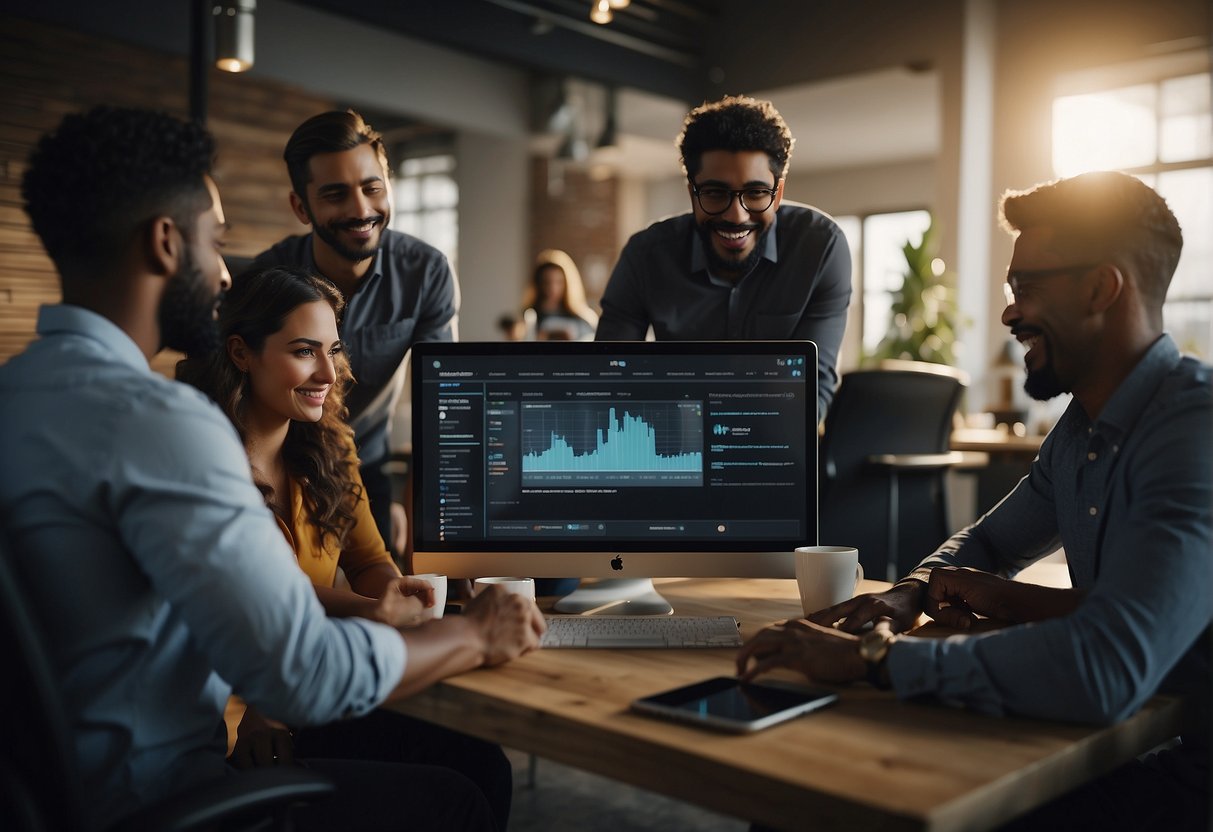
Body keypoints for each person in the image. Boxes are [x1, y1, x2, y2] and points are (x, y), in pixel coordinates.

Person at [0, 105, 544, 832]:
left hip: (49, 800)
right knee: (458, 798)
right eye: (215, 240)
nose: (225, 272)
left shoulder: (16, 394)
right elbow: (304, 675)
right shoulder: (163, 425)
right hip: (164, 801)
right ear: (165, 243)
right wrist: (472, 634)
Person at [736, 171, 1210, 830]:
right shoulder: (1081, 430)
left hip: (1184, 783)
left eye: (1027, 288)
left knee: (835, 800)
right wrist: (911, 591)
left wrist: (872, 658)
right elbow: (987, 542)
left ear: (1101, 288)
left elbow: (1104, 667)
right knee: (812, 773)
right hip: (1128, 739)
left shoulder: (1193, 429)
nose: (1009, 313)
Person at [178, 264, 514, 828]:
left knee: (480, 760)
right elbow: (267, 596)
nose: (327, 373)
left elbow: (368, 559)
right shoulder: (204, 459)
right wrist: (372, 612)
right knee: (454, 798)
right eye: (304, 351)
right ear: (241, 353)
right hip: (241, 710)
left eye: (332, 350)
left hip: (313, 685)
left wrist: (400, 599)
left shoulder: (330, 445)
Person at [249, 109, 459, 562]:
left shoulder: (425, 273)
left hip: (368, 463)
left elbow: (440, 411)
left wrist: (432, 540)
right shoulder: (267, 278)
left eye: (372, 188)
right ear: (301, 207)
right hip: (282, 472)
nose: (361, 210)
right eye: (336, 194)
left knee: (392, 584)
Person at [595, 94, 852, 419]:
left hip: (776, 436)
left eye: (756, 193)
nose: (736, 215)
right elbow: (609, 379)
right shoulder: (645, 256)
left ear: (778, 194)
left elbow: (813, 391)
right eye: (716, 193)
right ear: (692, 192)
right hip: (675, 437)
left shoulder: (821, 248)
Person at [522, 248, 598, 341]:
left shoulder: (584, 319)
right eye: (546, 282)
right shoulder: (529, 318)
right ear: (538, 284)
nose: (552, 288)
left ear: (567, 284)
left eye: (559, 282)